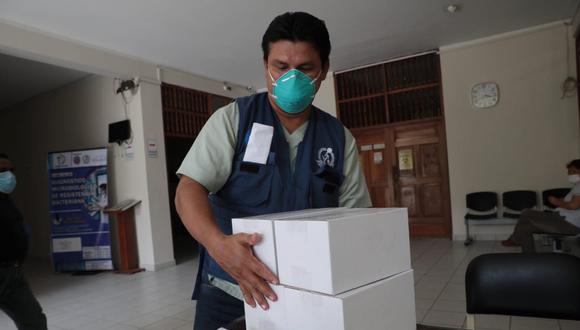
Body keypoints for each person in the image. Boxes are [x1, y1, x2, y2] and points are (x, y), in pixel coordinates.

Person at [175, 12, 372, 330]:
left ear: (323, 71)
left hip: (308, 293)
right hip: (228, 289)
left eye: (305, 68)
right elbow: (189, 189)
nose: (291, 78)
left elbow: (357, 219)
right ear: (266, 66)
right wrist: (218, 245)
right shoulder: (233, 120)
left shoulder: (338, 139)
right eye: (281, 67)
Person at [0, 153, 48, 330]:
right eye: (2, 170)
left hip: (12, 273)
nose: (9, 175)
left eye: (11, 170)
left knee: (34, 320)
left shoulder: (5, 199)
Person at [502, 159, 580, 252]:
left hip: (568, 224)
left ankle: (516, 242)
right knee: (525, 221)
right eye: (569, 172)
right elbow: (571, 202)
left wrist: (557, 202)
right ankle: (522, 249)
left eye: (574, 171)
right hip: (561, 218)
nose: (571, 174)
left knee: (525, 219)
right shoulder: (577, 186)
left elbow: (573, 206)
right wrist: (560, 200)